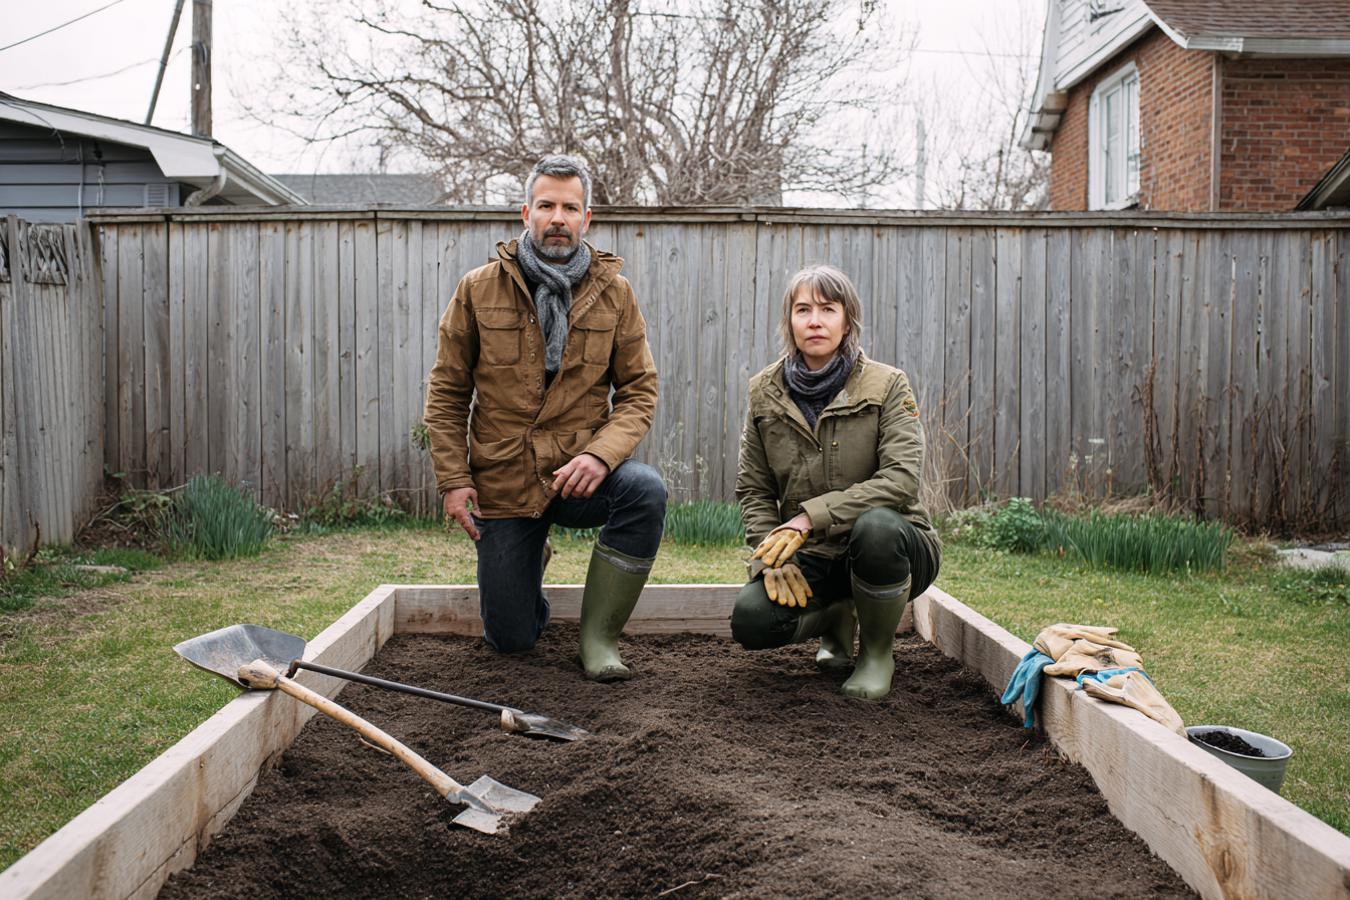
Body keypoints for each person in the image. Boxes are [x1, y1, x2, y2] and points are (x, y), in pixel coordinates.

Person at [424, 154, 666, 682]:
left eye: (570, 208)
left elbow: (639, 391)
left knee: (644, 489)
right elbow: (447, 393)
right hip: (506, 480)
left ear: (587, 218)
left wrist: (600, 456)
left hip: (579, 476)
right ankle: (530, 555)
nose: (558, 218)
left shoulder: (615, 293)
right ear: (526, 213)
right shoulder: (478, 289)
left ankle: (598, 640)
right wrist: (454, 480)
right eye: (547, 206)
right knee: (511, 639)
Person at [731, 264, 941, 700]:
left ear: (847, 321)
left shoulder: (887, 385)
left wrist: (808, 518)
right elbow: (754, 488)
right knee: (751, 620)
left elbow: (901, 480)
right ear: (789, 321)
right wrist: (770, 557)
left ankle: (876, 654)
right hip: (817, 555)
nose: (814, 320)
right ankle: (836, 615)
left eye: (828, 309)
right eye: (803, 309)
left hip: (896, 547)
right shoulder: (763, 391)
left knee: (876, 528)